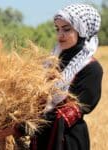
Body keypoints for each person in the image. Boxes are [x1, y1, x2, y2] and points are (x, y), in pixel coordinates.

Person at [30, 3, 103, 150]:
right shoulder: (51, 62)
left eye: (66, 29)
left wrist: (23, 128)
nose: (60, 35)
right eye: (57, 29)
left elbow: (67, 113)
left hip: (67, 141)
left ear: (82, 31)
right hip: (40, 138)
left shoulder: (91, 68)